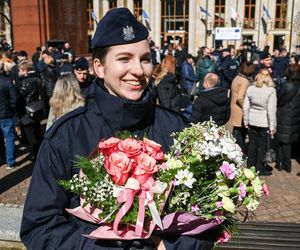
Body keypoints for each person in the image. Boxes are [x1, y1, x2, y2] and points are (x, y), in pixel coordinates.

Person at [20, 8, 215, 250]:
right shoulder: (67, 135)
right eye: (124, 59)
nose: (138, 70)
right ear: (99, 68)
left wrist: (170, 246)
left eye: (144, 58)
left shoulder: (177, 128)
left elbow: (209, 217)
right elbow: (39, 227)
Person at [243, 69, 277, 176]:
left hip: (252, 120)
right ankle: (260, 168)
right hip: (264, 122)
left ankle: (250, 166)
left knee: (252, 144)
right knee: (262, 146)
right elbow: (271, 110)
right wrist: (272, 126)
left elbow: (245, 107)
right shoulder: (271, 91)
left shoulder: (251, 89)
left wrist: (246, 120)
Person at [17, 60, 44, 159]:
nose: (18, 72)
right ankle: (41, 151)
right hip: (37, 110)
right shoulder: (38, 80)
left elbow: (19, 99)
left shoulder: (22, 83)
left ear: (25, 70)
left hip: (27, 112)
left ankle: (36, 155)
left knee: (31, 136)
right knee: (38, 131)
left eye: (20, 70)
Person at [276, 64, 300, 173]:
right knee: (286, 140)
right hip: (295, 115)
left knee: (283, 141)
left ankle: (283, 162)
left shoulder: (285, 86)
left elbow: (279, 99)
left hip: (284, 114)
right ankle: (283, 162)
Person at [228, 62, 256, 154]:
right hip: (239, 110)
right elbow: (240, 97)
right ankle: (239, 152)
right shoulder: (245, 81)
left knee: (237, 132)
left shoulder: (237, 77)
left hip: (234, 108)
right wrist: (246, 107)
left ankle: (236, 151)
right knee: (239, 133)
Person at [0, 60, 17, 170]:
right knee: (9, 138)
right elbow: (13, 99)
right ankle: (10, 161)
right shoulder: (7, 81)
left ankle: (2, 157)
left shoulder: (7, 81)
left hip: (5, 113)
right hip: (6, 114)